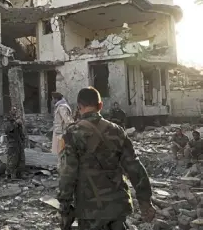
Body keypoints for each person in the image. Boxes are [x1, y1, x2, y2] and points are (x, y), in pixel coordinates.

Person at [57, 87, 155, 230]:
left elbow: (67, 173)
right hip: (118, 205)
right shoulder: (117, 131)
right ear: (100, 106)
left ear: (79, 107)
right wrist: (145, 201)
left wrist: (65, 206)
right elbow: (135, 167)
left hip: (89, 209)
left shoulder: (72, 133)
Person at [5, 107, 26, 180]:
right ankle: (10, 175)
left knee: (21, 158)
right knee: (12, 159)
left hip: (19, 142)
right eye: (13, 110)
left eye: (16, 110)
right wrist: (15, 123)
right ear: (10, 112)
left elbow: (21, 133)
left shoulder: (19, 120)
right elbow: (9, 131)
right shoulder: (8, 122)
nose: (15, 111)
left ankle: (19, 174)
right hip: (13, 143)